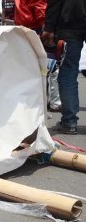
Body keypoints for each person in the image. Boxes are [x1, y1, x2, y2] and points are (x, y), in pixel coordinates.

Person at [41, 0, 86, 135]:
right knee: (68, 73)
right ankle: (68, 121)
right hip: (71, 21)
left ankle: (69, 122)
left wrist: (49, 27)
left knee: (68, 73)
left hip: (70, 22)